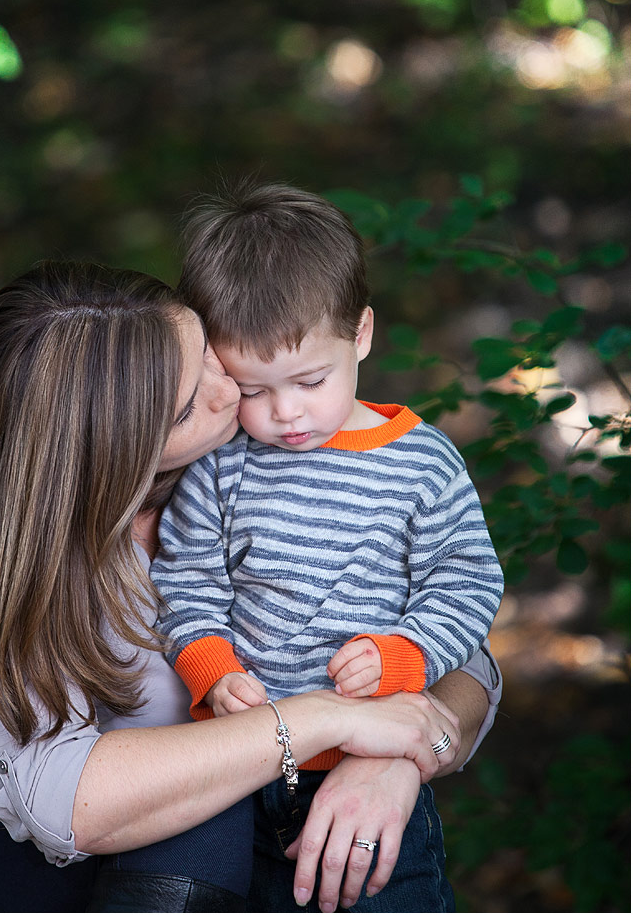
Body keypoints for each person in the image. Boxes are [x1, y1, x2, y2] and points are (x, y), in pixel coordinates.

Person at [0, 259, 495, 915]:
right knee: (204, 811)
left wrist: (397, 757)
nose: (229, 389)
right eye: (184, 408)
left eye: (206, 350)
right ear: (112, 446)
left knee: (276, 820)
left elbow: (466, 651)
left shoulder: (252, 459)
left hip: (206, 811)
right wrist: (328, 719)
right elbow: (67, 808)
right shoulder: (10, 568)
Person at [152, 182, 505, 911]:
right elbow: (184, 578)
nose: (284, 413)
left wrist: (408, 653)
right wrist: (208, 663)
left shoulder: (421, 463)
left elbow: (465, 582)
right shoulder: (221, 463)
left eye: (309, 380)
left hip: (370, 759)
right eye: (251, 389)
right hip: (237, 771)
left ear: (362, 333)